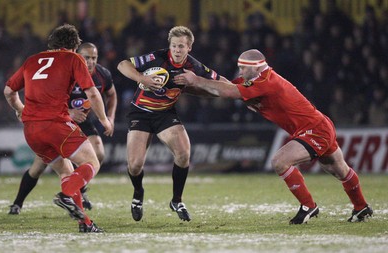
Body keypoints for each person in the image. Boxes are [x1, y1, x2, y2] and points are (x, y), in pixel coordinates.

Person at [174, 49, 373, 224]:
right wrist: (185, 87)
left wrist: (196, 79)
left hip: (314, 129)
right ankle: (361, 207)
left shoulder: (266, 81)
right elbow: (220, 88)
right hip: (318, 125)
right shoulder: (252, 81)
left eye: (243, 68)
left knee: (280, 161)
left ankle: (308, 206)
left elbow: (228, 91)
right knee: (338, 170)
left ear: (256, 68)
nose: (240, 72)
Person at [4, 24, 113, 232]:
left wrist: (20, 110)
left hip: (31, 131)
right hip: (56, 125)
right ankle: (65, 196)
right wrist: (104, 119)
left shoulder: (32, 60)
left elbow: (9, 91)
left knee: (66, 172)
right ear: (73, 46)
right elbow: (91, 93)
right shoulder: (73, 58)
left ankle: (85, 224)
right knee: (92, 162)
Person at [117, 25, 226, 222]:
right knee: (134, 165)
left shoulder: (193, 67)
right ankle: (138, 193)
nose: (177, 50)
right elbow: (122, 65)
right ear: (169, 46)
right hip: (140, 113)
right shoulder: (156, 57)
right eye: (174, 46)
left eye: (181, 47)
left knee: (184, 154)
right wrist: (142, 78)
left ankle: (177, 200)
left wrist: (242, 92)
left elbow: (220, 81)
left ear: (189, 47)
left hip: (165, 114)